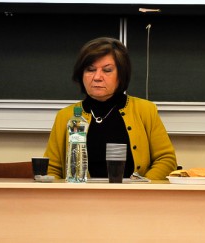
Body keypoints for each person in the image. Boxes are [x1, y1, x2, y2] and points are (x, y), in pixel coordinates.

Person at [44, 37, 177, 180]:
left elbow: (166, 160)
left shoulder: (145, 110)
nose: (97, 77)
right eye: (90, 70)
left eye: (107, 70)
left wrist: (140, 187)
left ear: (121, 75)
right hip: (81, 198)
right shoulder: (66, 115)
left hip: (134, 197)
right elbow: (52, 168)